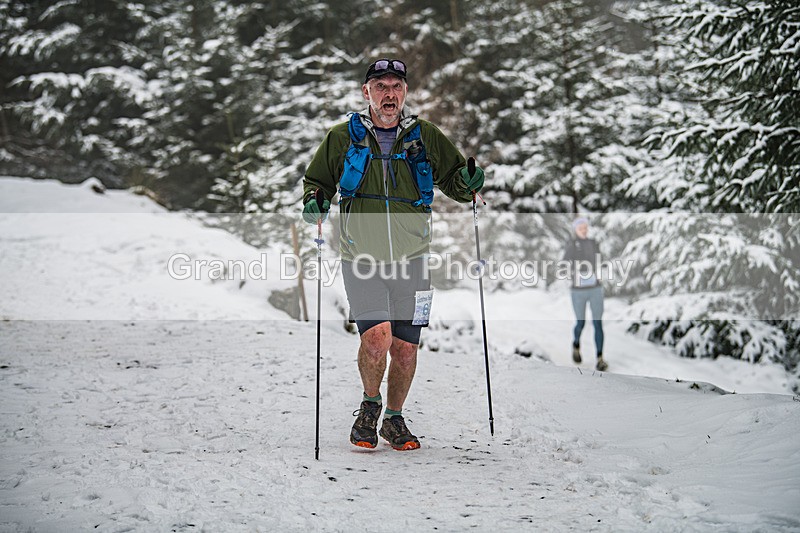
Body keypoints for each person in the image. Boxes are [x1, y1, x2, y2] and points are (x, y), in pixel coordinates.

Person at [301, 58, 485, 451]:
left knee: (405, 348)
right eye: (381, 86)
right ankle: (370, 407)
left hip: (413, 258)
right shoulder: (342, 137)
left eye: (396, 86)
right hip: (361, 257)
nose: (389, 94)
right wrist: (314, 203)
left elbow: (455, 180)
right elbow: (317, 183)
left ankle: (394, 419)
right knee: (377, 338)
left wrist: (469, 181)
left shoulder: (425, 136)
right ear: (366, 92)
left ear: (405, 92)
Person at [563, 217, 607, 371]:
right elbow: (564, 264)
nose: (583, 230)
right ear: (575, 229)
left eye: (585, 227)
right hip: (578, 290)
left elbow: (600, 260)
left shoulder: (593, 243)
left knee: (597, 323)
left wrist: (600, 271)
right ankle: (576, 345)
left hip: (595, 288)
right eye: (580, 227)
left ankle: (600, 358)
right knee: (580, 322)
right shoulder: (571, 245)